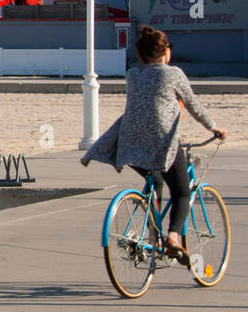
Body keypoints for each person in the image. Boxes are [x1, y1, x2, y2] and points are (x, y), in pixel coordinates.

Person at [82, 26, 227, 264]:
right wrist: (214, 127)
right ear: (166, 52)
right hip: (161, 142)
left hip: (129, 142)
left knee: (156, 180)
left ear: (140, 55)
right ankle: (172, 238)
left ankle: (151, 234)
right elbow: (193, 105)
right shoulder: (174, 74)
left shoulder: (133, 74)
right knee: (181, 191)